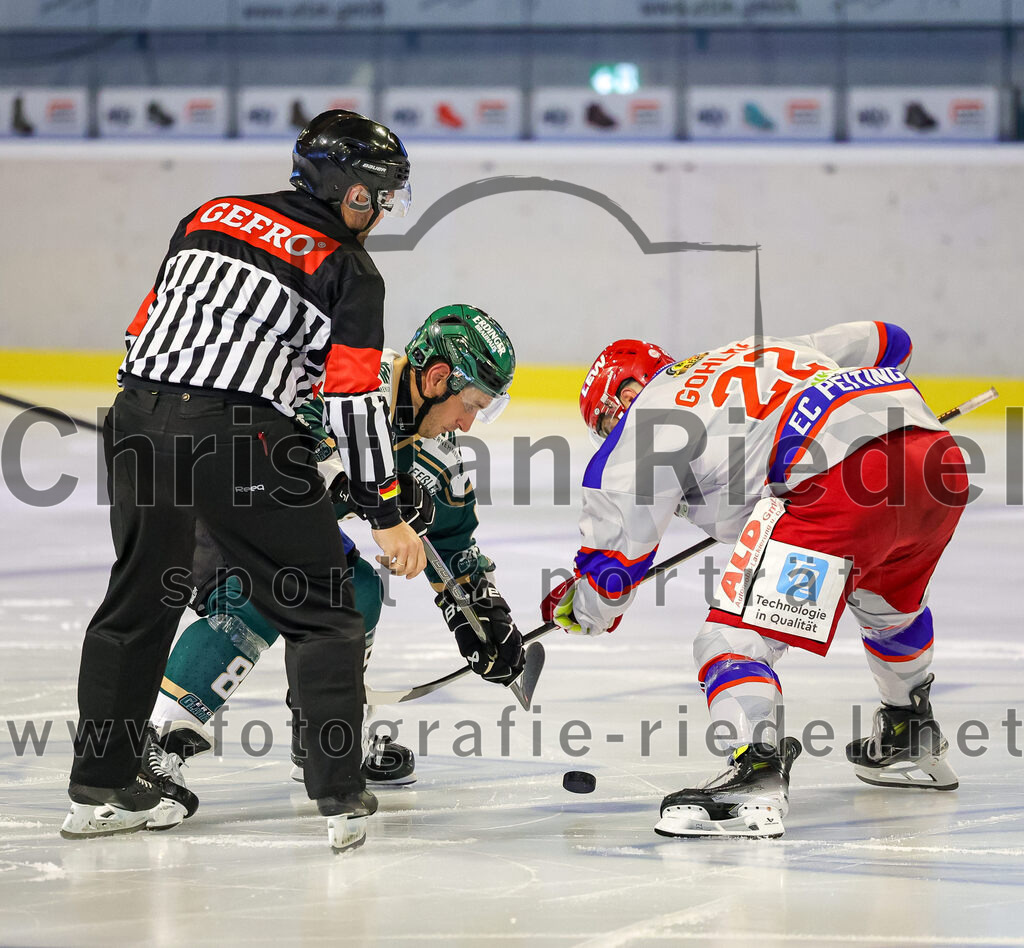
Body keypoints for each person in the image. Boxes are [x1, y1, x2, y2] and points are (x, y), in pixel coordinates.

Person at [63, 110, 416, 852]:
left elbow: (141, 332)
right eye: (370, 194)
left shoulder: (206, 215)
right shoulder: (350, 270)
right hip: (239, 436)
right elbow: (353, 399)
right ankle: (340, 797)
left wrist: (161, 411)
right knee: (323, 605)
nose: (379, 211)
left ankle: (102, 788)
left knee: (138, 601)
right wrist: (385, 510)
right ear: (332, 185)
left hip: (136, 419)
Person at [542, 324, 968, 838]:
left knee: (729, 641)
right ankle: (910, 728)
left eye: (607, 420)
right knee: (887, 603)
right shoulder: (748, 351)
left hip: (834, 488)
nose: (612, 431)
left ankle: (757, 769)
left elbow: (613, 570)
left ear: (625, 395)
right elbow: (891, 340)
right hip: (935, 461)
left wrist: (580, 609)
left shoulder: (646, 420)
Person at [148, 305, 524, 787]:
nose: (468, 422)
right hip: (221, 501)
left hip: (289, 528)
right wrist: (366, 492)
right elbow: (270, 466)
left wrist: (481, 617)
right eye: (470, 403)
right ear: (436, 378)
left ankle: (326, 735)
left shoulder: (436, 447)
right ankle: (155, 738)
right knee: (267, 593)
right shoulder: (349, 385)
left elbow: (452, 542)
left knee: (357, 591)